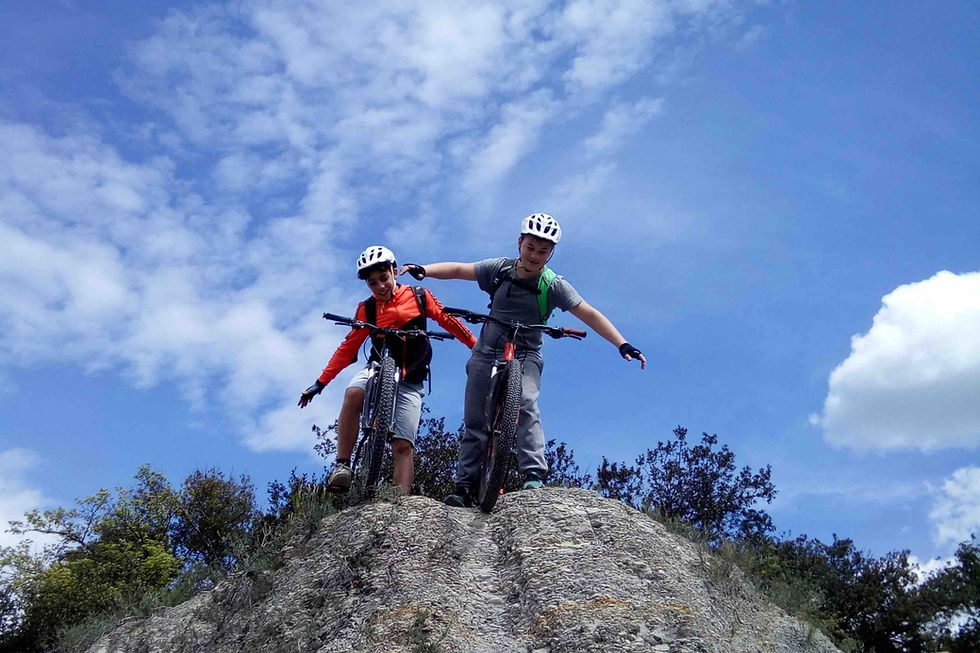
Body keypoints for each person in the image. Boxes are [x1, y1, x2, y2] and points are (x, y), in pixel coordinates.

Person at [399, 213, 646, 507]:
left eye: (543, 251)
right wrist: (424, 270)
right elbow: (458, 269)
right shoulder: (499, 269)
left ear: (551, 253)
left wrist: (622, 344)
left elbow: (589, 313)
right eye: (530, 247)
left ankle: (533, 474)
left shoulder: (553, 285)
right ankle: (465, 486)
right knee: (475, 417)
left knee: (526, 402)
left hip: (527, 352)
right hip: (488, 348)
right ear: (520, 243)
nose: (535, 256)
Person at [299, 245, 476, 494]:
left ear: (395, 272)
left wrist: (476, 347)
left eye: (384, 278)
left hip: (411, 378)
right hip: (377, 367)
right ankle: (342, 465)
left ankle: (400, 504)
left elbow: (449, 321)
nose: (380, 286)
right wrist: (320, 383)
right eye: (373, 283)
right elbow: (348, 348)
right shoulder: (367, 309)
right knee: (353, 393)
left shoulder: (419, 296)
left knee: (403, 445)